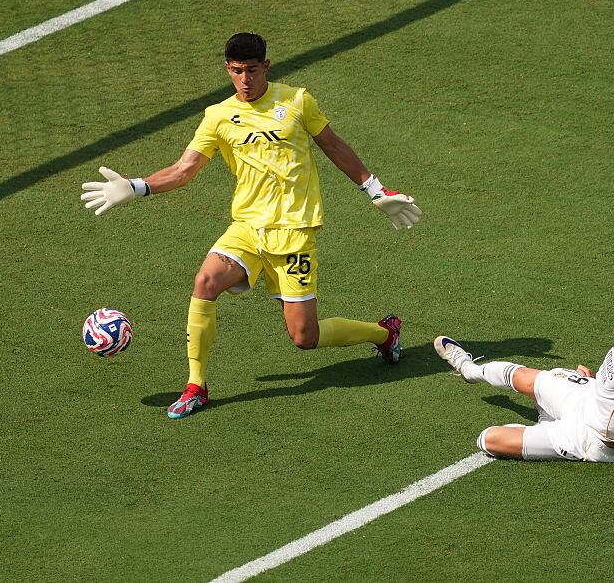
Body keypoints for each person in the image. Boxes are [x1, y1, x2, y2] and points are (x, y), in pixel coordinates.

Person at [81, 32, 421, 419]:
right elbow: (183, 170)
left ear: (266, 67)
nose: (245, 79)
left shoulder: (296, 101)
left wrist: (375, 191)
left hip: (294, 234)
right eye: (237, 70)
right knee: (205, 282)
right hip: (246, 227)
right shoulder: (218, 116)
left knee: (304, 337)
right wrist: (136, 186)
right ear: (228, 69)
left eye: (253, 70)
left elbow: (333, 145)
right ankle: (196, 386)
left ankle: (383, 332)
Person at [434, 280, 614, 491]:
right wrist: (599, 382)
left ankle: (546, 425)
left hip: (589, 437)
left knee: (489, 439)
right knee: (524, 376)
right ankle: (469, 370)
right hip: (587, 397)